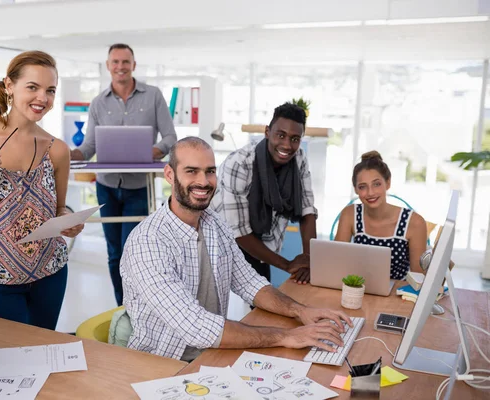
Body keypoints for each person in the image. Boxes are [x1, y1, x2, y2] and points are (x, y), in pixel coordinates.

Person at [120, 137, 351, 361]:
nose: (203, 181)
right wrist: (286, 336)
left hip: (212, 353)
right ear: (170, 175)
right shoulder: (148, 242)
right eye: (191, 171)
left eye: (210, 171)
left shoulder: (215, 223)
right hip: (164, 362)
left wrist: (300, 311)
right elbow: (196, 327)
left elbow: (249, 282)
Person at [0, 51, 84, 330]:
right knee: (6, 359)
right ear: (9, 86)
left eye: (50, 90)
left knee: (44, 351)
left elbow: (59, 208)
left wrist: (68, 220)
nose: (42, 98)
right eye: (32, 87)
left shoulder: (57, 149)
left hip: (50, 272)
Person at [70, 43, 177, 306]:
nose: (120, 67)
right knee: (114, 253)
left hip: (138, 187)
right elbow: (90, 146)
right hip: (107, 186)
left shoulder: (153, 96)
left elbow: (171, 138)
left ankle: (139, 304)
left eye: (125, 62)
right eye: (115, 62)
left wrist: (151, 150)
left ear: (134, 65)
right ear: (108, 66)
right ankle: (123, 306)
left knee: (133, 251)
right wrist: (71, 155)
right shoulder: (98, 103)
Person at [211, 102, 316, 285]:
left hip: (261, 242)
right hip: (224, 242)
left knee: (264, 301)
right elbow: (238, 231)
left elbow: (307, 210)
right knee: (214, 303)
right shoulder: (239, 163)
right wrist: (287, 265)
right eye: (281, 135)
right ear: (267, 132)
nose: (287, 145)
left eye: (294, 139)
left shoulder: (299, 158)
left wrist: (309, 260)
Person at [334, 151, 427, 279]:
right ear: (355, 189)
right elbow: (337, 264)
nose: (370, 193)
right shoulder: (350, 214)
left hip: (397, 296)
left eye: (376, 184)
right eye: (362, 187)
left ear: (388, 183)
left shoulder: (414, 222)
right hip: (360, 290)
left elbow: (419, 278)